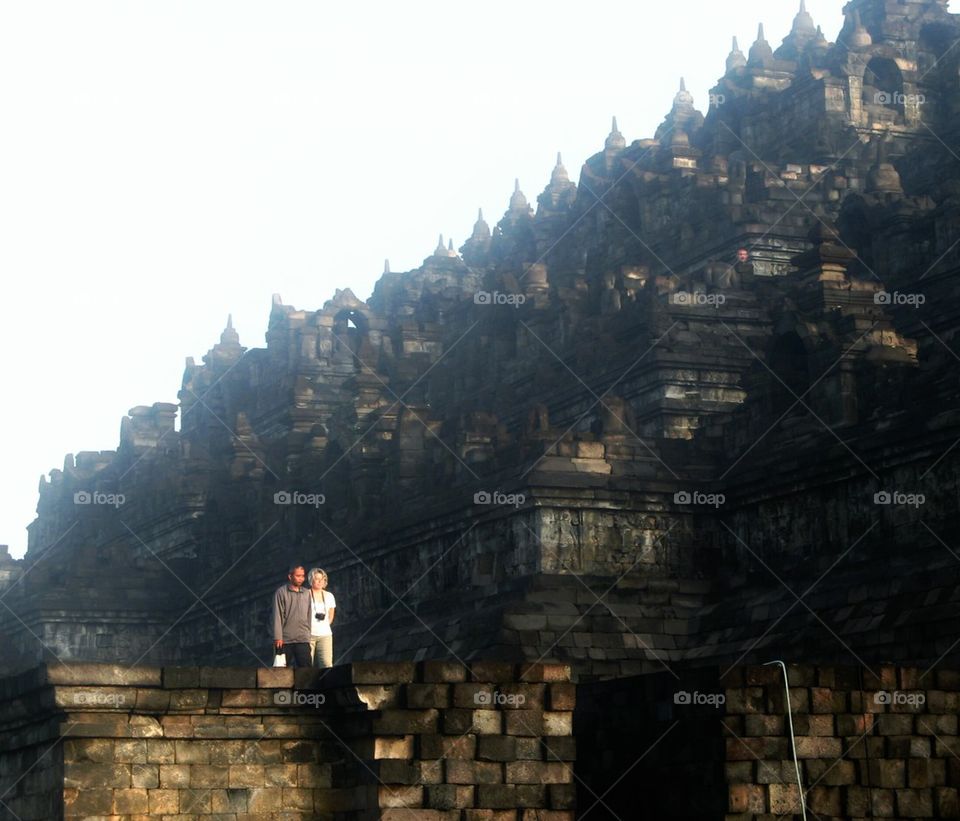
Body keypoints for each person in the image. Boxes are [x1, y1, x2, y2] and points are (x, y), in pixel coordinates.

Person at [272, 564, 312, 667]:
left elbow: (309, 614)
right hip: (285, 639)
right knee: (281, 670)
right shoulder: (281, 592)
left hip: (303, 638)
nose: (301, 579)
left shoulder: (307, 593)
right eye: (298, 576)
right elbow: (277, 615)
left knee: (306, 670)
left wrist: (308, 634)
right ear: (290, 576)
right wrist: (278, 637)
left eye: (302, 576)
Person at [307, 567, 336, 668]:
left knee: (327, 664)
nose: (319, 582)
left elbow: (331, 614)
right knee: (307, 664)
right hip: (308, 634)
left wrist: (325, 625)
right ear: (311, 580)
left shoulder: (329, 596)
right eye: (316, 579)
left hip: (325, 634)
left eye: (322, 579)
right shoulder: (305, 595)